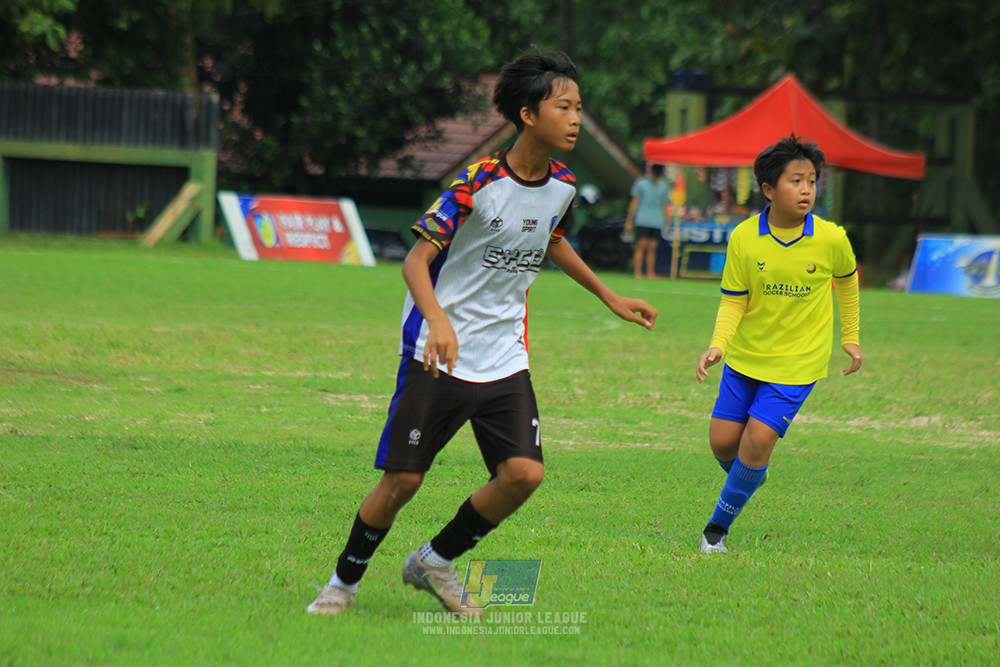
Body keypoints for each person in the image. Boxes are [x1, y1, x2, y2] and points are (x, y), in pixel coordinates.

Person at [307, 49, 658, 617]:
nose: (575, 118)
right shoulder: (477, 181)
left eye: (578, 107)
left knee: (523, 473)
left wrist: (609, 296)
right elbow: (415, 262)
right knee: (402, 482)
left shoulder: (564, 185)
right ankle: (342, 584)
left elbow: (552, 239)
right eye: (563, 106)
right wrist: (439, 322)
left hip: (503, 353)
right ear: (527, 114)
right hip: (436, 349)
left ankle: (434, 561)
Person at [694, 133, 862, 554]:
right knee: (722, 442)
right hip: (746, 358)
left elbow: (847, 281)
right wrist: (718, 345)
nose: (806, 189)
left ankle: (716, 530)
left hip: (797, 364)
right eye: (796, 181)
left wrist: (851, 338)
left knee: (756, 441)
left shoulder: (830, 238)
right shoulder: (744, 238)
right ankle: (750, 474)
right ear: (768, 189)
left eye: (811, 180)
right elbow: (734, 299)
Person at [624, 163, 671, 279]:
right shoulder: (641, 183)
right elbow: (634, 203)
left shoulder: (664, 187)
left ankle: (650, 273)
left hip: (656, 221)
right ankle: (638, 272)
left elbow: (665, 205)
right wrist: (629, 221)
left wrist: (667, 221)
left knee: (652, 248)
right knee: (641, 246)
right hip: (642, 220)